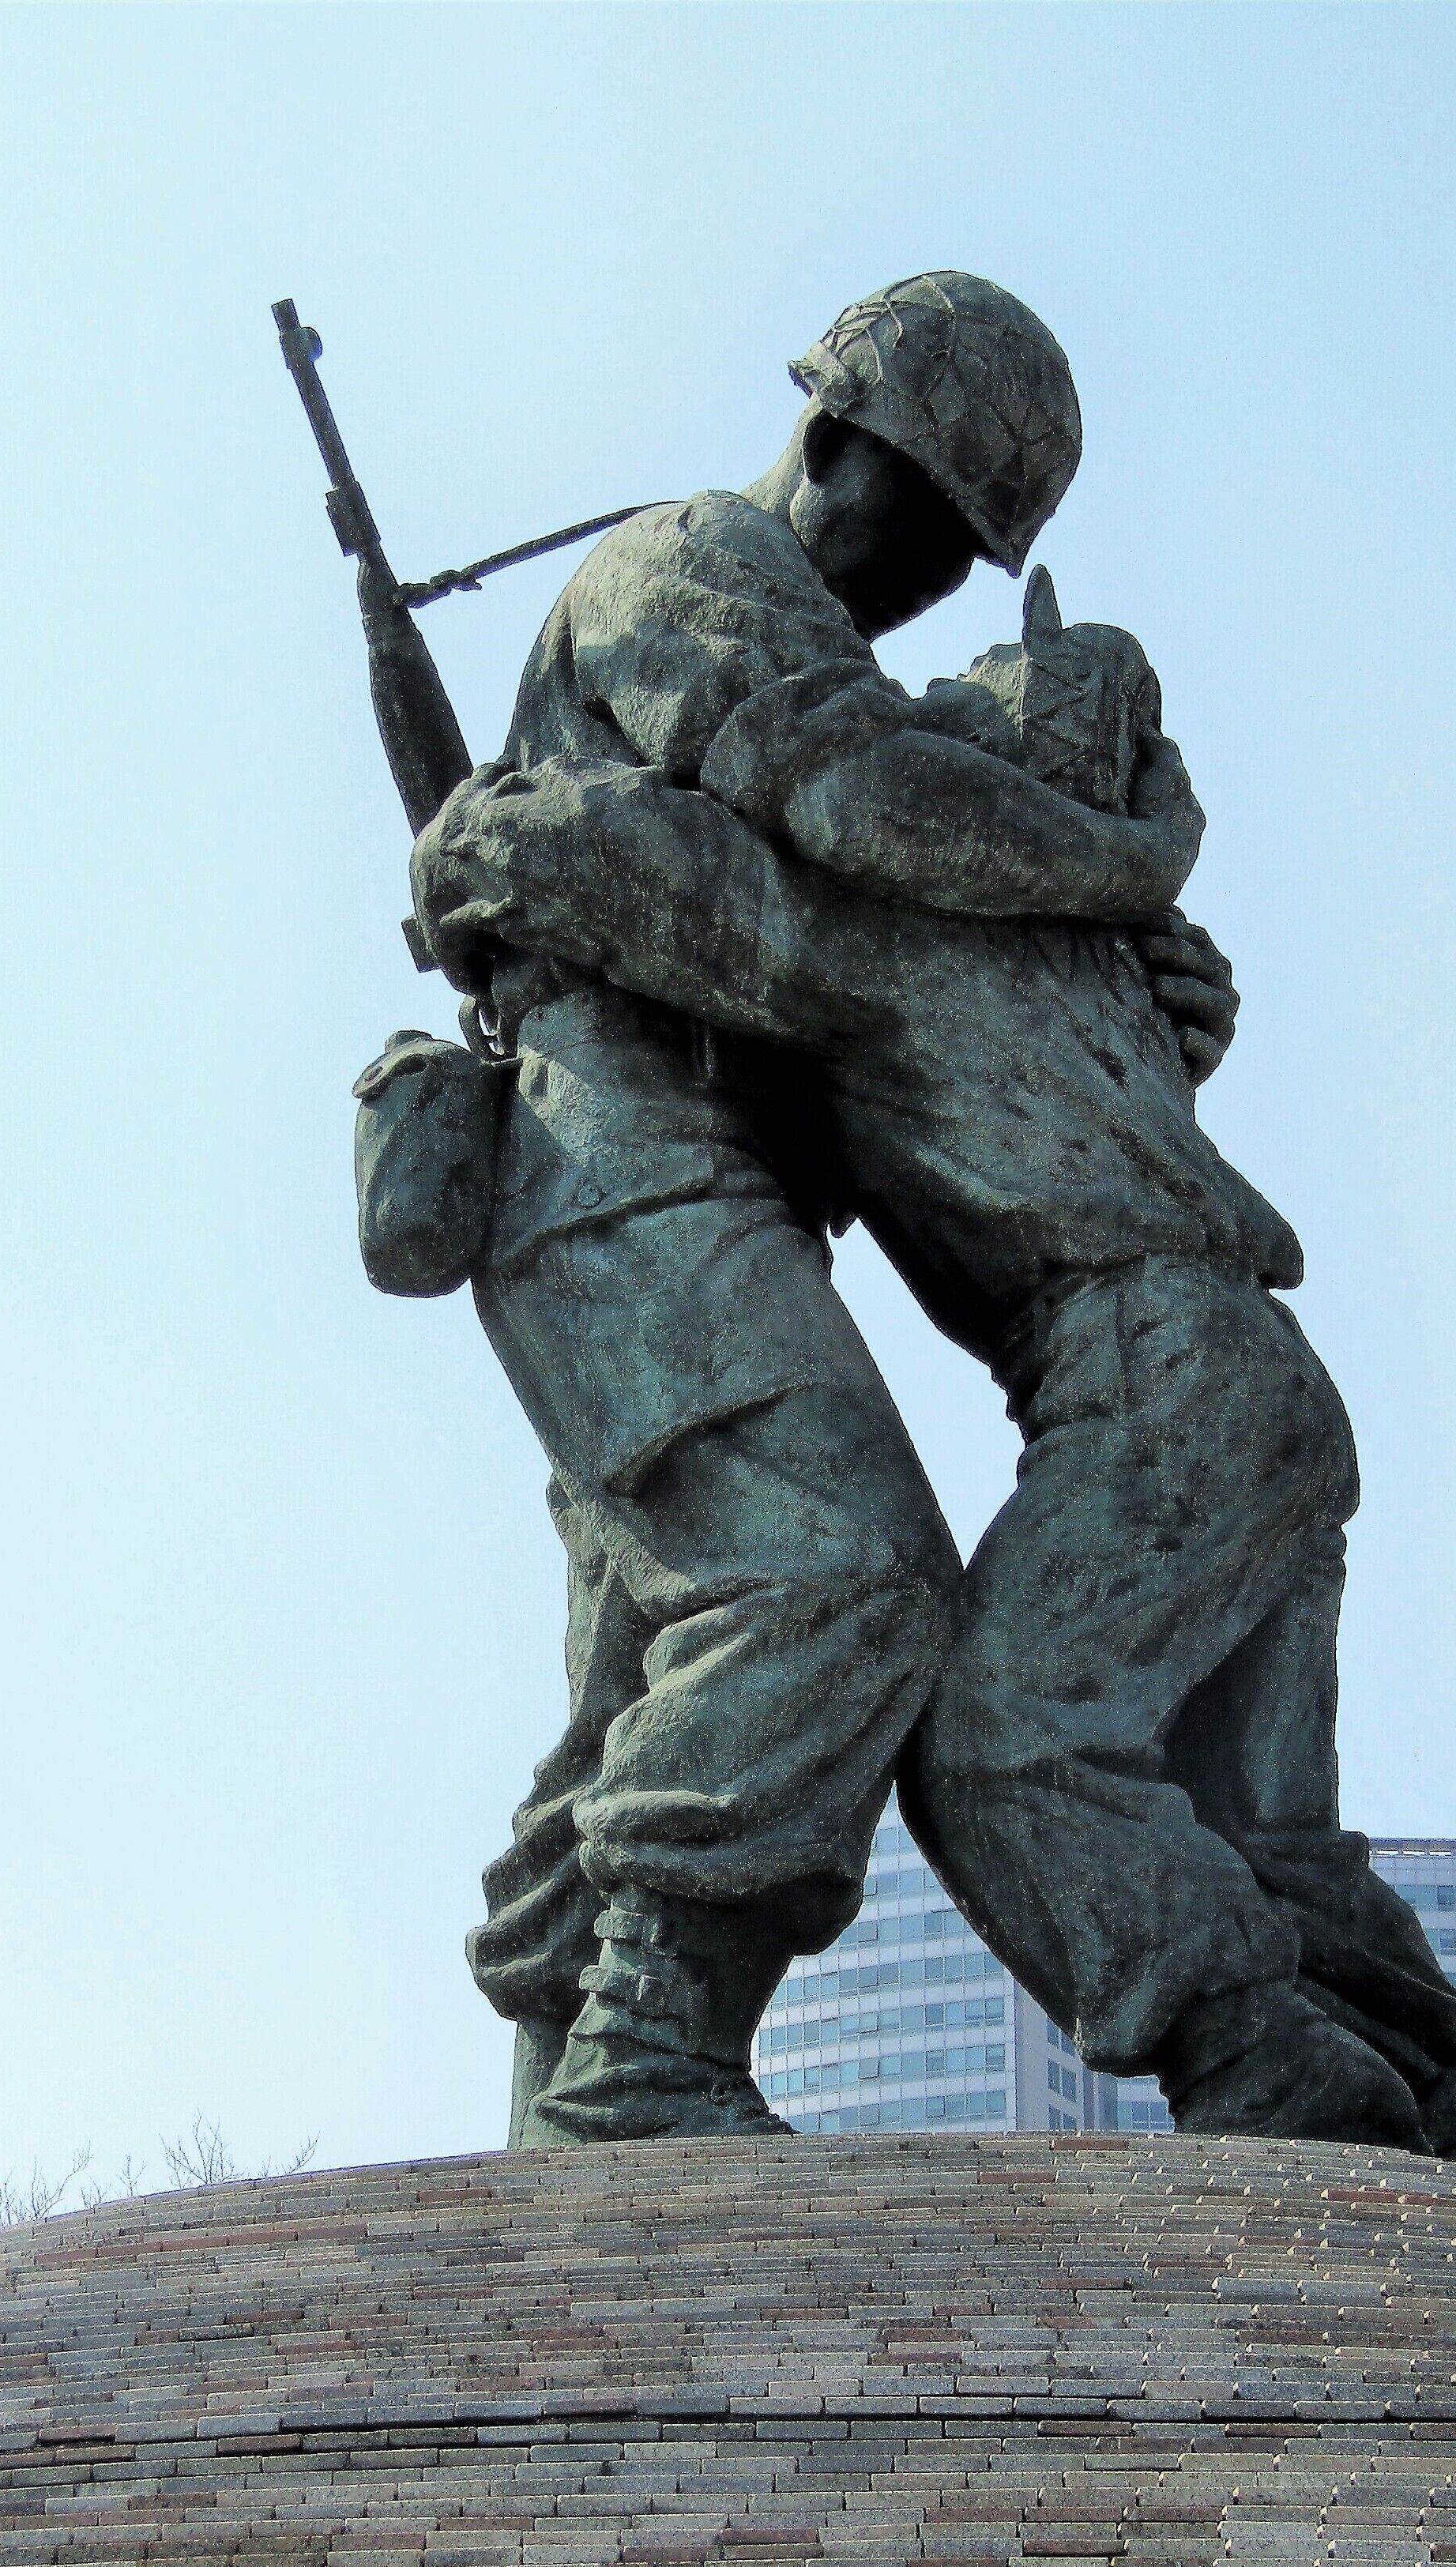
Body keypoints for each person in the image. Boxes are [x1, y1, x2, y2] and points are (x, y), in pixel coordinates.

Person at [415, 582, 1456, 2189]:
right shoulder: (1100, 948)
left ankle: (1265, 2064)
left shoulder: (905, 924)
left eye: (969, 696)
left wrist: (484, 835)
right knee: (1254, 1828)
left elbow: (682, 895)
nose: (923, 707)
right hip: (1254, 1396)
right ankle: (1448, 2118)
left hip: (1156, 1384)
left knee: (1003, 1750)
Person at [430, 273, 1207, 2150]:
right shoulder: (689, 564)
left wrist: (1136, 994)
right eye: (922, 523)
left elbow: (910, 969)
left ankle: (563, 2126)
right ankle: (642, 2068)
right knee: (836, 1581)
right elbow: (857, 806)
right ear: (836, 438)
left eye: (968, 556)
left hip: (720, 1187)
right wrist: (1127, 864)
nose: (933, 581)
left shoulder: (828, 638)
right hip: (616, 1157)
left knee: (654, 1674)